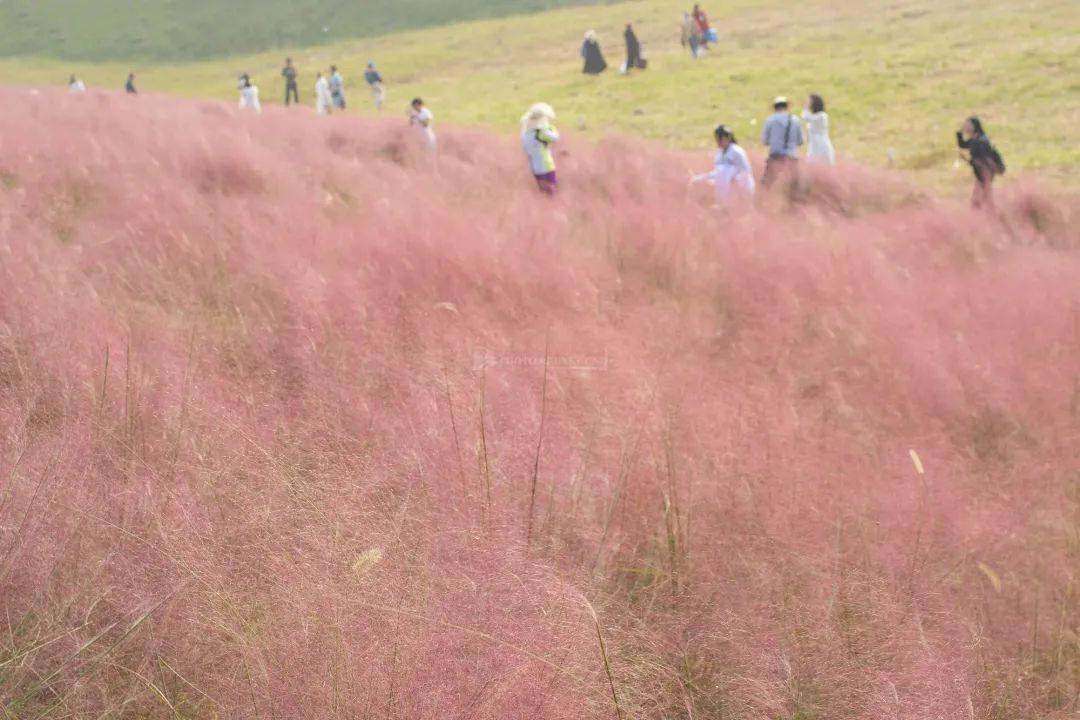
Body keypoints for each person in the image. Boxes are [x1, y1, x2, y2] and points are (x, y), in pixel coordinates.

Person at [691, 124, 755, 203]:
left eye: (721, 139)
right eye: (717, 139)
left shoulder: (737, 152)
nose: (718, 142)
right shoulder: (719, 153)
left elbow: (745, 170)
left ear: (728, 138)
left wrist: (735, 180)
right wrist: (704, 177)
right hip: (727, 191)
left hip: (741, 189)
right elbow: (718, 172)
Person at [956, 116, 1004, 208]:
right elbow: (962, 144)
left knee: (979, 202)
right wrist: (960, 132)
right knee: (984, 200)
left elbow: (982, 160)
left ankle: (991, 219)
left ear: (974, 126)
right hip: (982, 173)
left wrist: (966, 160)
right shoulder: (976, 139)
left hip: (985, 173)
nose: (965, 127)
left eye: (968, 125)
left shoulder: (980, 141)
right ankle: (993, 218)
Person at [760, 96, 803, 187]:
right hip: (792, 156)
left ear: (775, 107)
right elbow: (800, 141)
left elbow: (765, 141)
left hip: (776, 156)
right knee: (795, 185)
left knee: (766, 184)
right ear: (787, 107)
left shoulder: (770, 120)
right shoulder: (795, 120)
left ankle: (763, 200)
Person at [521, 103, 561, 195]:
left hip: (534, 168)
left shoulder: (526, 134)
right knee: (552, 192)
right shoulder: (541, 133)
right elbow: (555, 137)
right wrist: (551, 128)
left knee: (543, 192)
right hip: (547, 166)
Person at [801, 94, 835, 165]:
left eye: (809, 101)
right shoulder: (814, 116)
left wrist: (805, 108)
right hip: (813, 146)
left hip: (822, 145)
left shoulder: (822, 116)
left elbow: (806, 117)